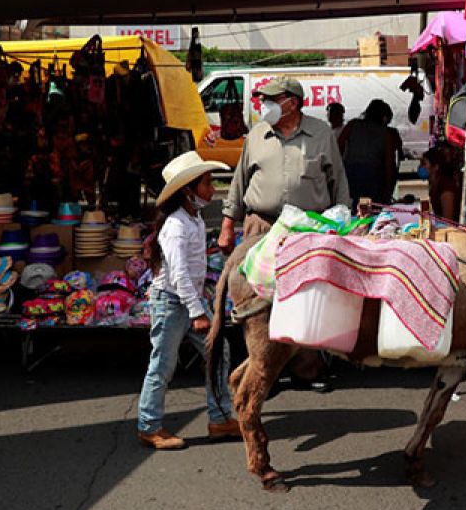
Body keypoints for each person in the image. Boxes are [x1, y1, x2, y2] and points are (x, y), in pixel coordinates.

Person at [217, 77, 350, 392]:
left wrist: (344, 220)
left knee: (307, 297)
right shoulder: (257, 135)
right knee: (257, 301)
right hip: (261, 226)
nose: (266, 106)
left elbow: (339, 182)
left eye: (272, 99)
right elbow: (238, 181)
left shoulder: (321, 135)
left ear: (293, 102)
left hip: (308, 228)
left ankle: (308, 368)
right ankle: (263, 369)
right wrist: (226, 223)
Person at [137, 151, 240, 450]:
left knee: (218, 352)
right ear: (187, 189)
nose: (211, 189)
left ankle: (220, 418)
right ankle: (148, 425)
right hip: (173, 302)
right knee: (162, 365)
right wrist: (197, 311)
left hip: (187, 299)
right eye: (206, 183)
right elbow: (179, 274)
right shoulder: (176, 225)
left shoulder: (191, 220)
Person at [338, 99, 402, 206]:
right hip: (374, 177)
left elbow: (337, 147)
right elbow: (389, 164)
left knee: (352, 210)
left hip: (351, 174)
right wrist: (387, 191)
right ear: (384, 117)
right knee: (374, 210)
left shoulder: (352, 125)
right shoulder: (386, 134)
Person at [420, 145, 461, 221]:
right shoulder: (434, 184)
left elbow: (448, 219)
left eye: (424, 164)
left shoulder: (446, 187)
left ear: (435, 167)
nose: (420, 167)